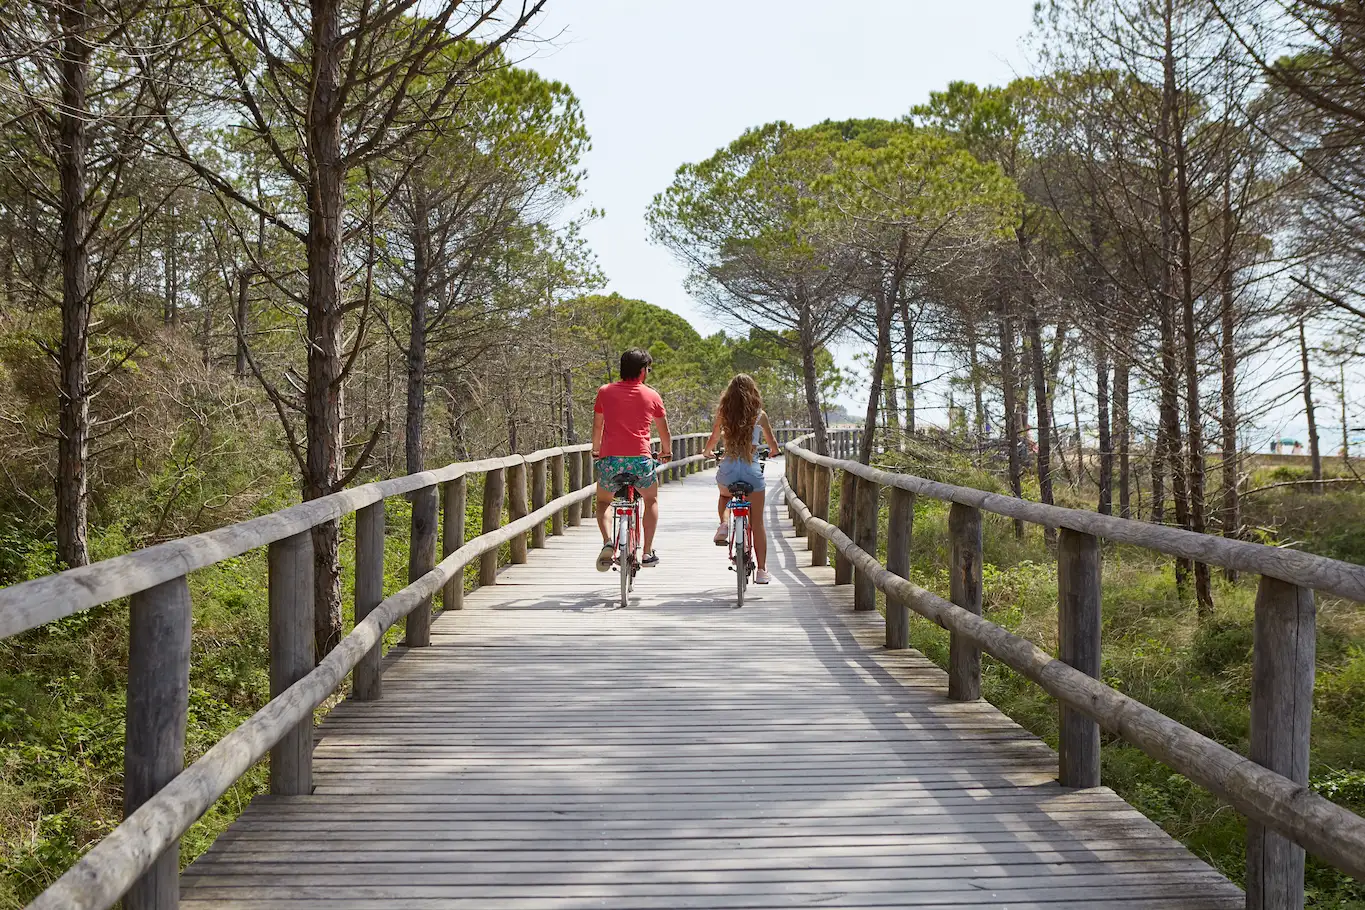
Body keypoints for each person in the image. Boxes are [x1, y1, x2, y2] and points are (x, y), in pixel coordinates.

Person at [591, 349, 672, 571]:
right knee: (651, 500)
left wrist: (596, 449)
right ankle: (646, 551)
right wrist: (666, 451)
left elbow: (598, 425)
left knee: (603, 501)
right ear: (642, 371)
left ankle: (608, 542)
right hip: (640, 461)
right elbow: (664, 432)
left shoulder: (604, 392)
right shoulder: (651, 395)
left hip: (611, 462)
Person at [703, 374, 780, 585]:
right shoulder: (759, 415)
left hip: (728, 469)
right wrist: (773, 451)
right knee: (757, 523)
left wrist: (707, 452)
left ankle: (724, 524)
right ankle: (762, 571)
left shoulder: (723, 413)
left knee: (724, 495)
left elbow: (713, 438)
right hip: (751, 470)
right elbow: (773, 444)